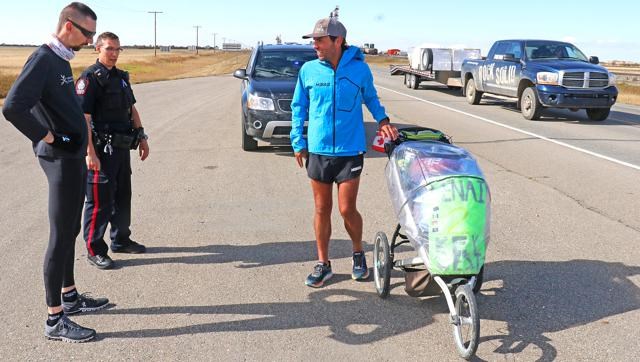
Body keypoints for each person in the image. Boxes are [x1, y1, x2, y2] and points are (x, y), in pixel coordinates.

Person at [2, 2, 108, 342]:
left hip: (72, 156)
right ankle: (54, 320)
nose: (91, 40)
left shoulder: (61, 60)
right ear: (68, 25)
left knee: (70, 232)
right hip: (58, 159)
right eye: (88, 33)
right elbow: (12, 106)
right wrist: (48, 136)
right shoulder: (43, 59)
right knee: (60, 235)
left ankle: (71, 297)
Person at [290, 15, 399, 288]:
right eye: (313, 40)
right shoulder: (309, 71)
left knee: (347, 208)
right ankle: (323, 263)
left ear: (337, 41)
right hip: (318, 149)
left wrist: (383, 120)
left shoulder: (360, 70)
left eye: (320, 40)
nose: (315, 44)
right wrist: (298, 142)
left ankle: (358, 254)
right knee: (321, 208)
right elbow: (298, 108)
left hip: (350, 150)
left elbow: (371, 97)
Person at [76, 32, 150, 270]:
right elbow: (83, 119)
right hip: (100, 150)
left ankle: (121, 240)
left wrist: (142, 137)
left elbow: (131, 109)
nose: (114, 53)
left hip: (121, 149)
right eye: (109, 49)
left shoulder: (121, 77)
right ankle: (94, 249)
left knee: (122, 197)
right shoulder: (89, 79)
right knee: (99, 202)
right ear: (97, 49)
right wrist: (90, 153)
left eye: (118, 49)